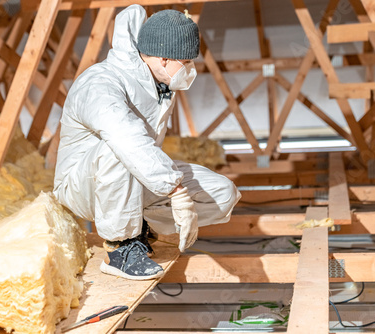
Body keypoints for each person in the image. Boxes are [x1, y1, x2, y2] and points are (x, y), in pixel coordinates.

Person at [53, 5, 241, 281]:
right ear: (164, 59)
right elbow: (127, 140)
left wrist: (182, 195)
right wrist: (176, 192)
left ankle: (139, 227)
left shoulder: (159, 85)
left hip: (129, 182)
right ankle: (121, 249)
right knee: (121, 146)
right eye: (186, 62)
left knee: (222, 194)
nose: (190, 69)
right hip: (83, 187)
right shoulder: (101, 83)